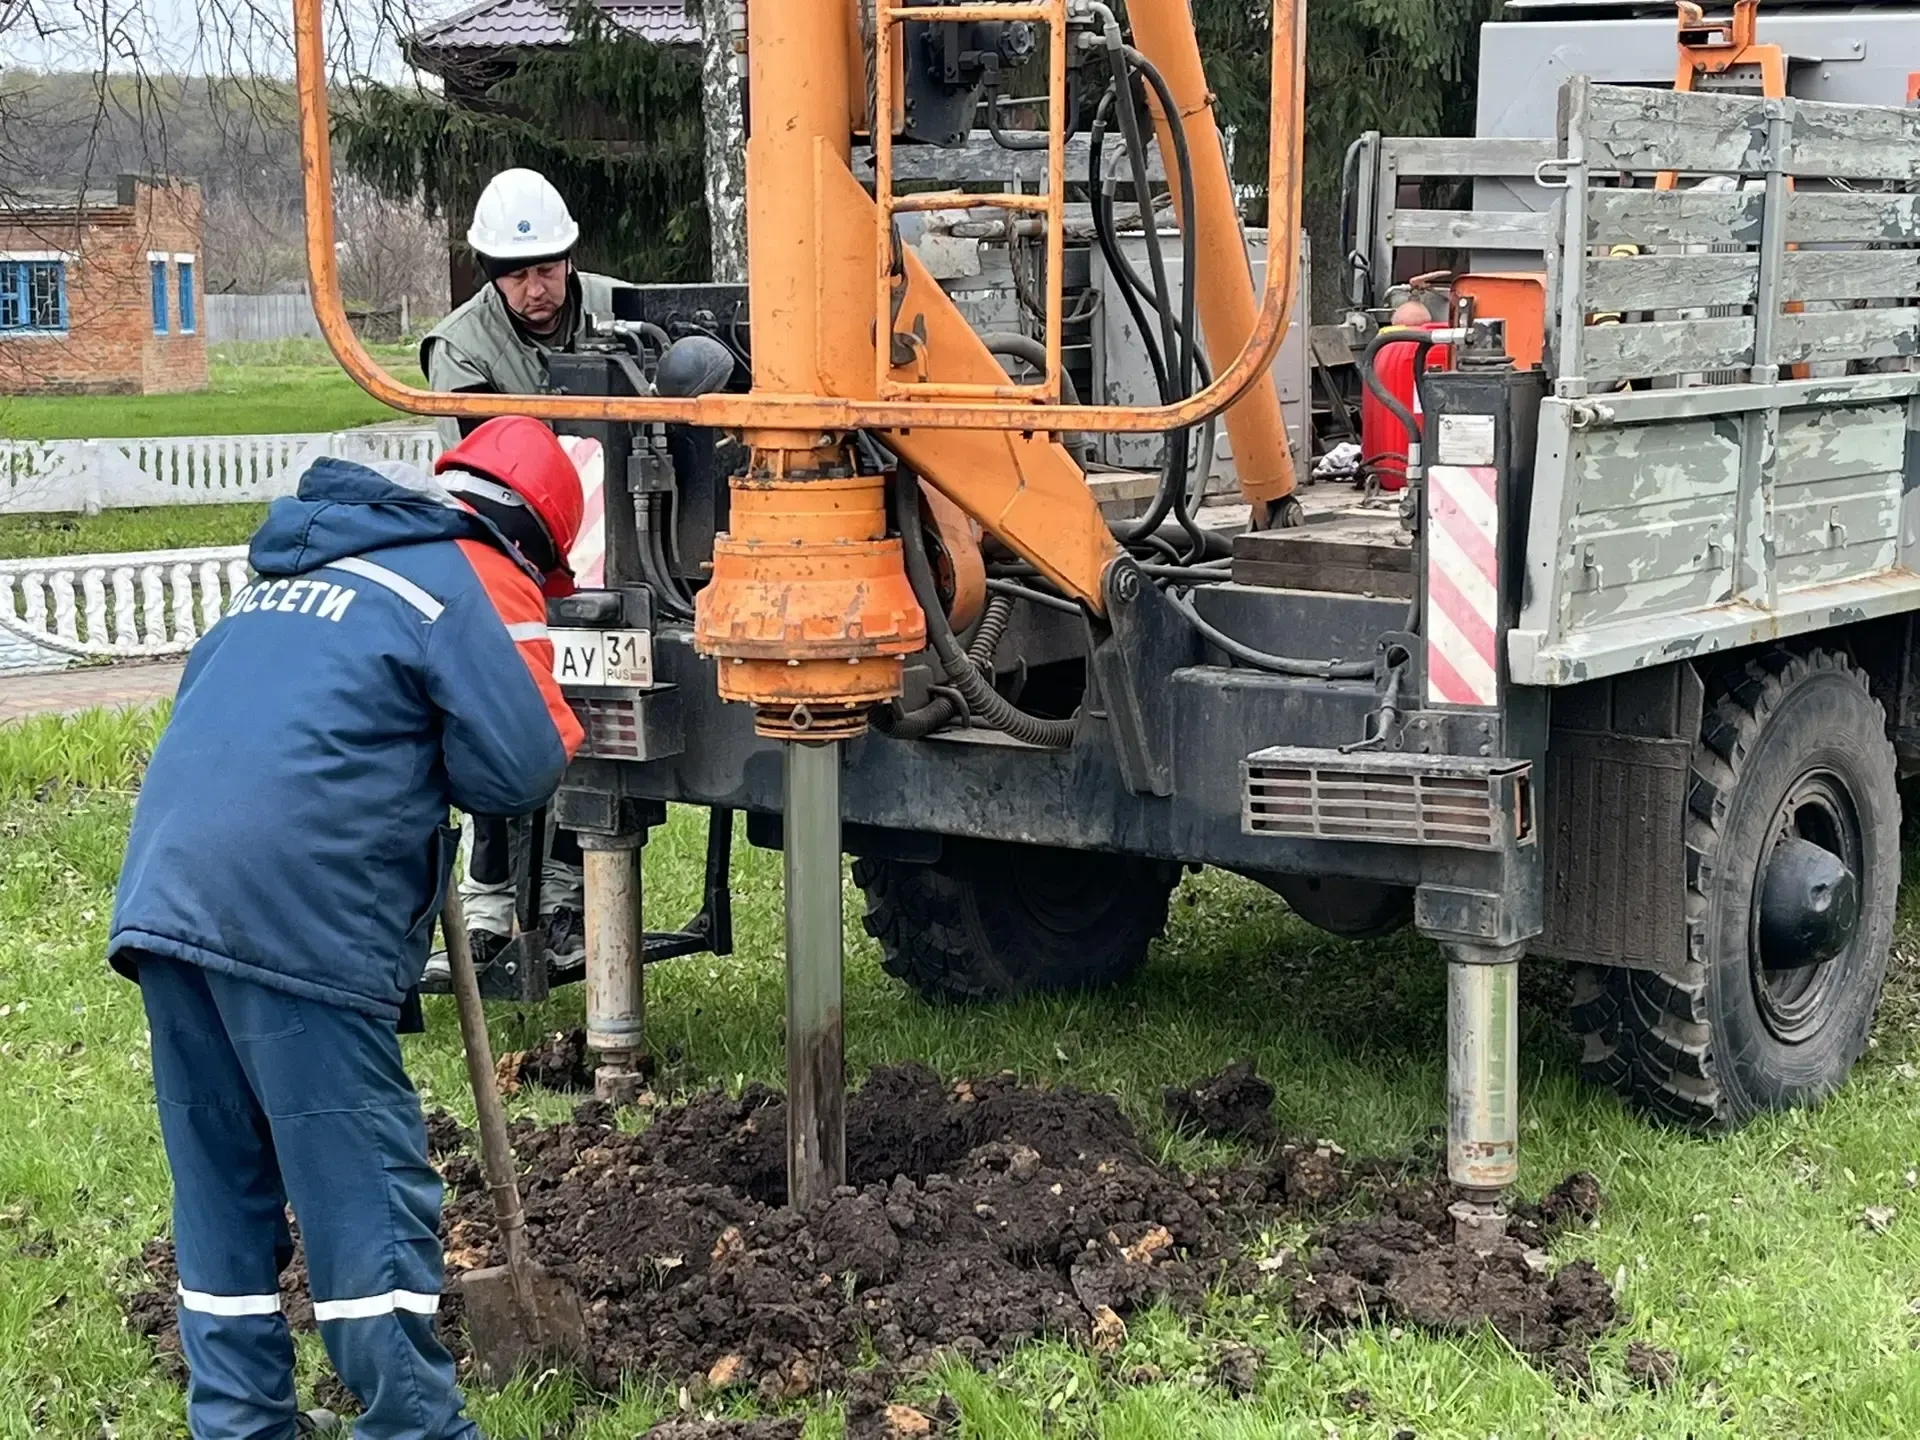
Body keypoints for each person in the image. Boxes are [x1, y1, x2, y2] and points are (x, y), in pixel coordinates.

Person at [109, 416, 586, 1440]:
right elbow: (522, 766)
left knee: (222, 1182)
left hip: (167, 899)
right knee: (361, 1180)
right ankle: (413, 1423)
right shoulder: (460, 577)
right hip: (298, 915)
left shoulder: (289, 578)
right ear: (527, 545)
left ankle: (242, 1420)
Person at [420, 167, 625, 973]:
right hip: (507, 556)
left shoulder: (620, 308)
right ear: (490, 274)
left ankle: (569, 902)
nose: (536, 291)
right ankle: (488, 910)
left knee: (590, 729)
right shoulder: (461, 347)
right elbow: (492, 472)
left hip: (617, 552)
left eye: (546, 270)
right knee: (501, 724)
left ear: (569, 259)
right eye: (516, 276)